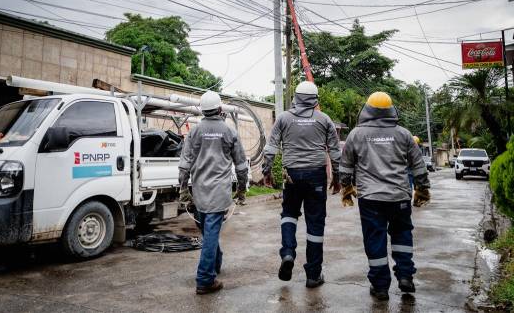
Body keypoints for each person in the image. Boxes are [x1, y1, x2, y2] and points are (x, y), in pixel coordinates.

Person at [340, 92, 431, 301]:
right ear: (391, 110)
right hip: (399, 196)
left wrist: (346, 189)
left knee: (375, 240)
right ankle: (406, 276)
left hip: (370, 199)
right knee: (402, 235)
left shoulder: (356, 134)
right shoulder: (404, 134)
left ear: (367, 109)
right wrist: (422, 189)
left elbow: (345, 167)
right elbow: (418, 166)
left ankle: (381, 287)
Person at [262, 81, 342, 288]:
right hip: (316, 176)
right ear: (316, 99)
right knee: (315, 223)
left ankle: (288, 253)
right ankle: (313, 275)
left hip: (292, 176)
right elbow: (335, 152)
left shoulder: (283, 118)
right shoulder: (324, 120)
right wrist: (338, 178)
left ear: (295, 97)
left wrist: (266, 172)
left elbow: (271, 148)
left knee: (289, 213)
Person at [178, 91, 248, 295]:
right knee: (210, 234)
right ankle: (205, 280)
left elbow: (184, 165)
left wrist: (183, 190)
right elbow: (241, 166)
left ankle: (215, 264)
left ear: (202, 110)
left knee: (209, 232)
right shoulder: (229, 132)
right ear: (220, 109)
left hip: (199, 192)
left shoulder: (195, 132)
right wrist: (241, 191)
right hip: (219, 193)